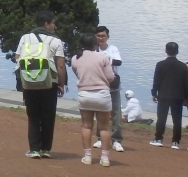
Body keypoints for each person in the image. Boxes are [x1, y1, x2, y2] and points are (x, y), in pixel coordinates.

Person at [15, 10, 67, 159]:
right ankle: (46, 149)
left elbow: (17, 57)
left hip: (29, 82)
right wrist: (61, 84)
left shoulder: (25, 38)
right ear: (46, 24)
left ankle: (34, 149)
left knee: (33, 115)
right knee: (48, 116)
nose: (55, 26)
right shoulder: (55, 41)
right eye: (53, 23)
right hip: (49, 82)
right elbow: (60, 65)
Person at [70, 32, 116, 166]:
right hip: (102, 95)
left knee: (86, 125)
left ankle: (88, 156)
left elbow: (77, 74)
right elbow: (110, 77)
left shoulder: (75, 58)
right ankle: (105, 158)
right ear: (95, 44)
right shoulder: (103, 57)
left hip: (85, 94)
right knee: (104, 127)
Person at [91, 25, 125, 153]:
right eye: (98, 36)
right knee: (100, 112)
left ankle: (116, 140)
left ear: (108, 37)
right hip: (99, 84)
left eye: (103, 36)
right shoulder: (93, 50)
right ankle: (100, 138)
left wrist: (104, 59)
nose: (101, 38)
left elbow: (119, 62)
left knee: (116, 113)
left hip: (112, 85)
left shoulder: (113, 49)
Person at [151, 41, 188, 149]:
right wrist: (186, 96)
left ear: (166, 51)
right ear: (177, 51)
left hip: (163, 95)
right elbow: (186, 83)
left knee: (161, 118)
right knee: (177, 120)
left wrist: (154, 93)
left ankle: (158, 138)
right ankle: (175, 142)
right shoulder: (183, 66)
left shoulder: (160, 64)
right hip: (178, 96)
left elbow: (156, 81)